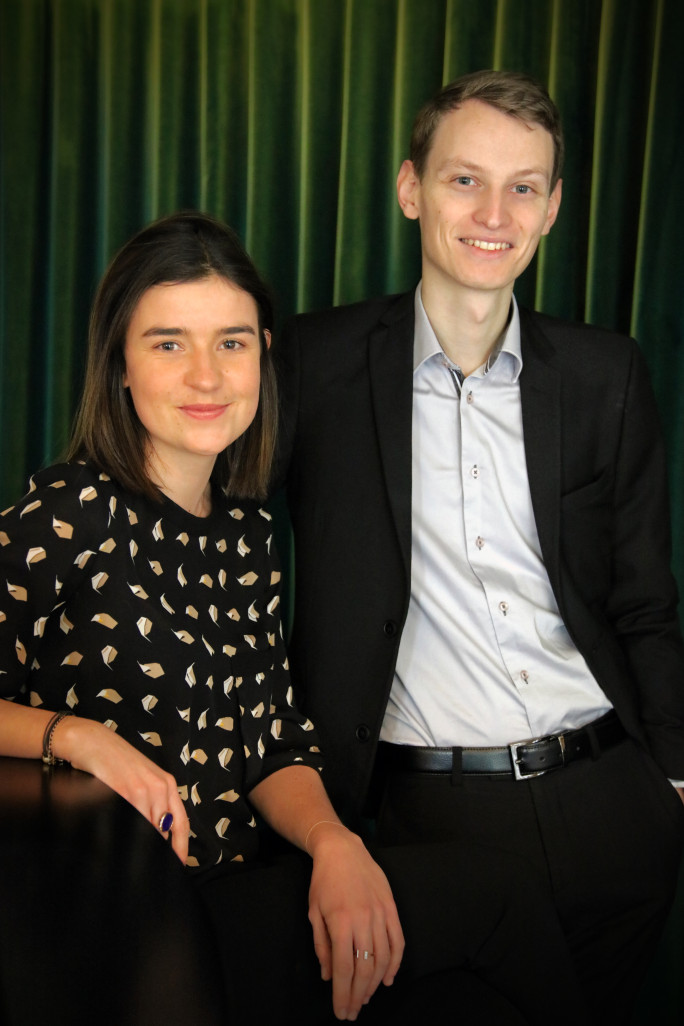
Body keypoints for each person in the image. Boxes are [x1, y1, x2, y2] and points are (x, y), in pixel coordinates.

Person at [275, 69, 684, 1021]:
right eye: (465, 180)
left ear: (550, 210)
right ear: (412, 188)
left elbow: (645, 600)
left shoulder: (605, 373)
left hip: (613, 802)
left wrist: (668, 784)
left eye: (524, 187)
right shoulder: (313, 362)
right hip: (432, 818)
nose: (494, 212)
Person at [0, 211, 404, 1024]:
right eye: (167, 342)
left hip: (233, 888)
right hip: (98, 910)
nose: (207, 376)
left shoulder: (250, 532)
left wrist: (333, 841)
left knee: (479, 925)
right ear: (118, 363)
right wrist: (77, 738)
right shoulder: (72, 508)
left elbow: (269, 741)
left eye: (232, 341)